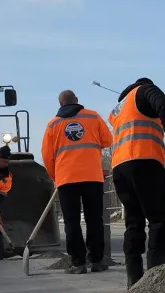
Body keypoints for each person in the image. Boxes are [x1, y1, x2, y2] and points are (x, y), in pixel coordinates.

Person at [108, 77, 165, 288]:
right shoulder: (145, 90)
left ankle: (134, 279)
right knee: (158, 219)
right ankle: (155, 280)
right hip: (144, 161)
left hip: (120, 167)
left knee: (134, 222)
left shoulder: (117, 109)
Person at [42, 89, 114, 275]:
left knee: (71, 221)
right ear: (77, 100)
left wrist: (56, 177)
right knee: (94, 220)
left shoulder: (52, 125)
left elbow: (47, 156)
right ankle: (97, 261)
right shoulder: (92, 116)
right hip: (92, 177)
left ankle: (78, 263)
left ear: (60, 104)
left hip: (66, 179)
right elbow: (108, 140)